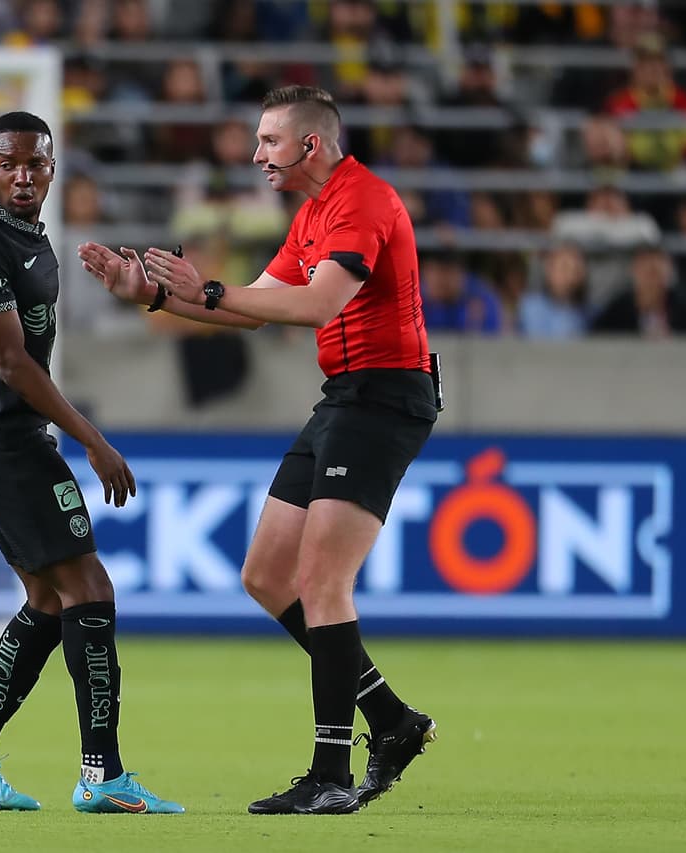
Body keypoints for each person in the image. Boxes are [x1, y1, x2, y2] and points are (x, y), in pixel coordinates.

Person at [79, 85, 438, 816]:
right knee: (268, 573)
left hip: (385, 396)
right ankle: (393, 722)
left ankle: (331, 772)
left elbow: (313, 305)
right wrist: (146, 293)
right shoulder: (311, 215)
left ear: (311, 144)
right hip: (345, 397)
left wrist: (209, 290)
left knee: (320, 579)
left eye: (269, 141)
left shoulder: (362, 201)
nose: (255, 155)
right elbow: (247, 307)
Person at [0, 112, 183, 815]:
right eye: (7, 163)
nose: (21, 175)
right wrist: (90, 437)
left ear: (50, 168)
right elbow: (10, 363)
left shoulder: (27, 235)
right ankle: (103, 774)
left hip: (6, 436)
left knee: (49, 599)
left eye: (34, 164)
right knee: (91, 590)